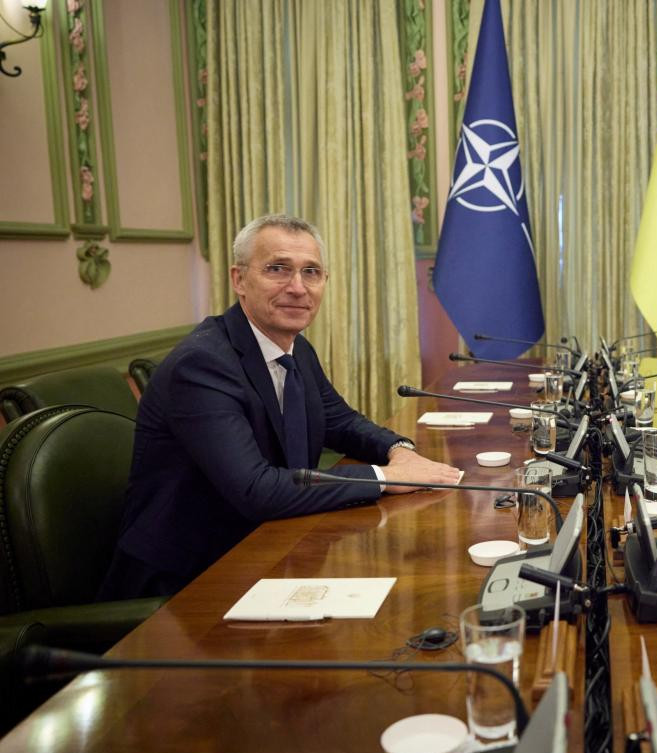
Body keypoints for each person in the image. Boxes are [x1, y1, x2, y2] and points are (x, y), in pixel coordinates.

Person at [101, 215, 461, 599]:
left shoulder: (295, 348)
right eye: (278, 269)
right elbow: (256, 490)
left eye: (311, 272)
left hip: (265, 547)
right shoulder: (202, 365)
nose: (297, 287)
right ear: (239, 279)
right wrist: (387, 478)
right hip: (186, 583)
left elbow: (341, 421)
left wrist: (398, 451)